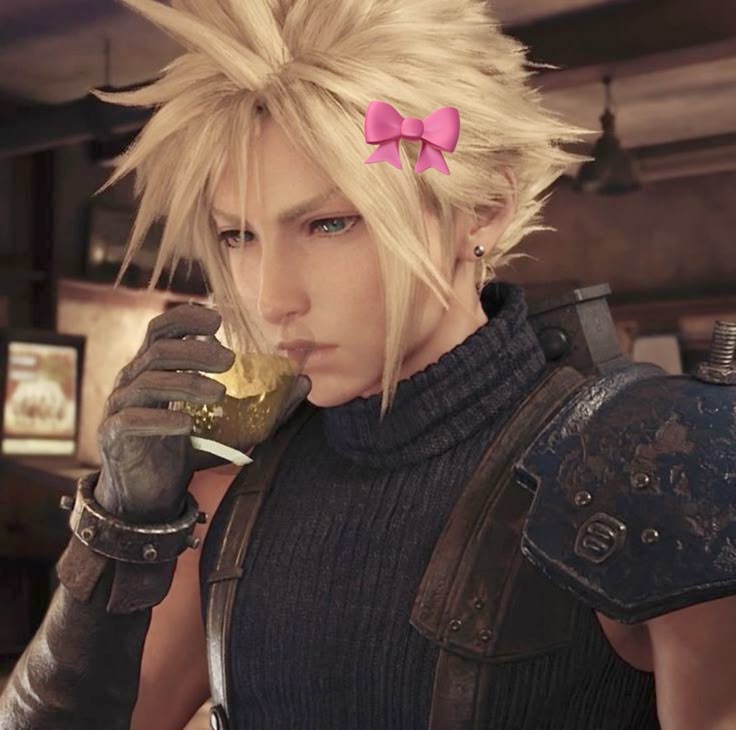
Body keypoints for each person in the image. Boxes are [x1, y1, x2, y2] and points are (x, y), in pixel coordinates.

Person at [1, 0, 736, 728]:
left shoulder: (653, 466)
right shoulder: (235, 489)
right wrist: (118, 530)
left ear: (483, 208)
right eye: (238, 235)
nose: (272, 298)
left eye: (329, 223)